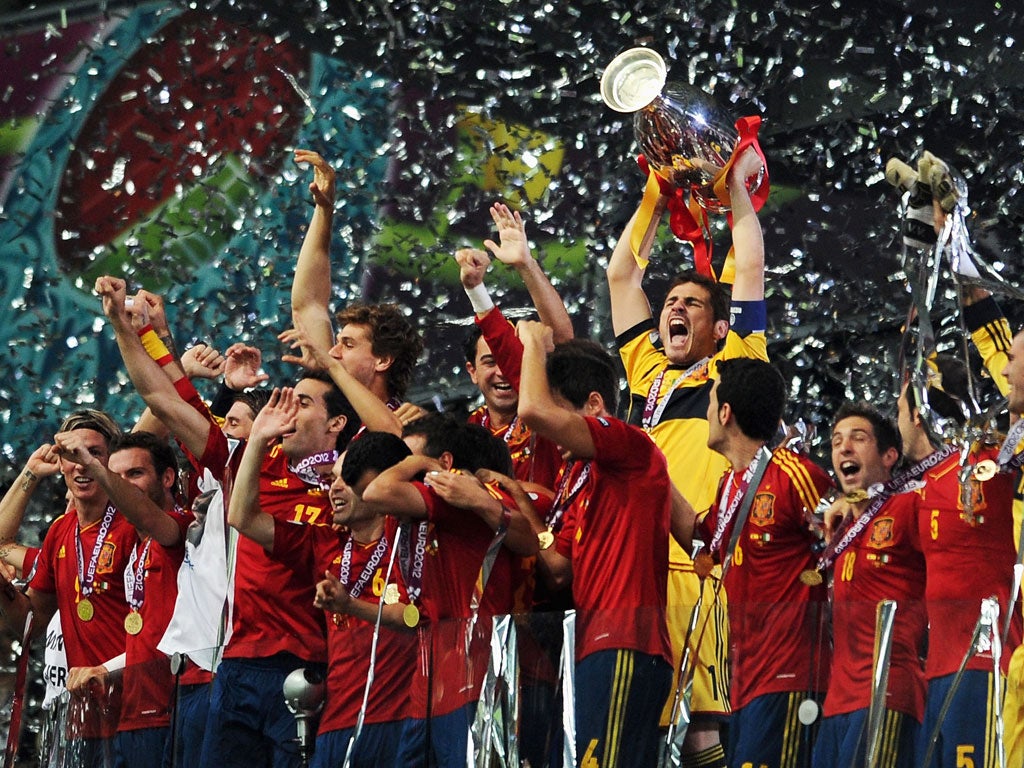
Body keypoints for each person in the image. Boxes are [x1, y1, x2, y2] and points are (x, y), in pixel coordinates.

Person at [95, 274, 358, 768]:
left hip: (307, 667)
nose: (286, 408)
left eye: (302, 403)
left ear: (336, 424)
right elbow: (165, 400)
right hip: (236, 664)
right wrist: (122, 327)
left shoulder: (351, 489)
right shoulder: (248, 464)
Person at [605, 144, 768, 766]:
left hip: (707, 566)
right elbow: (623, 274)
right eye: (670, 301)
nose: (673, 307)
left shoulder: (736, 362)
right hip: (643, 569)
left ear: (720, 327)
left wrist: (733, 191)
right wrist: (653, 189)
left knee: (705, 729)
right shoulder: (647, 371)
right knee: (647, 720)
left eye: (691, 304)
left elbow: (748, 266)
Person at [516, 323, 673, 768]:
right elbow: (558, 566)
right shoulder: (585, 482)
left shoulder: (630, 446)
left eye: (562, 417)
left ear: (596, 407)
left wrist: (531, 343)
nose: (554, 439)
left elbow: (531, 410)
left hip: (625, 641)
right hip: (596, 647)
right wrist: (510, 504)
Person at [229, 410, 417, 767]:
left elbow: (413, 618)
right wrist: (255, 442)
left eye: (348, 478)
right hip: (335, 723)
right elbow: (242, 518)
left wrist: (351, 606)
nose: (334, 488)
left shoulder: (409, 540)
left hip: (402, 718)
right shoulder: (325, 543)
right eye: (332, 478)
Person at [670, 358, 831, 768]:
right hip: (744, 682)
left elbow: (841, 546)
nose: (707, 413)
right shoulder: (728, 485)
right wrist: (652, 471)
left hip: (792, 677)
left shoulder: (794, 474)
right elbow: (700, 535)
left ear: (725, 413)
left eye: (709, 403)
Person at [363, 414, 536, 765]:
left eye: (410, 463)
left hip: (474, 679)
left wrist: (416, 464)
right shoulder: (419, 520)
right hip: (428, 688)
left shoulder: (456, 496)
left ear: (444, 464)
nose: (404, 473)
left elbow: (375, 491)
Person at [896, 356, 1018, 768]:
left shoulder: (996, 463)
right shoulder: (923, 487)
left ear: (917, 415)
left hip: (987, 665)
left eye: (898, 411)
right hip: (939, 674)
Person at [54, 430, 193, 768]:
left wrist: (96, 469)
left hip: (169, 710)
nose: (123, 485)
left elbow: (147, 516)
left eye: (135, 474)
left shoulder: (180, 528)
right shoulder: (137, 546)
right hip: (132, 713)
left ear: (168, 477)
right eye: (115, 477)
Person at [812, 403, 927, 768]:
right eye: (836, 441)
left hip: (887, 694)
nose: (843, 448)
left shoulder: (909, 507)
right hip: (835, 703)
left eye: (858, 439)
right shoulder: (839, 529)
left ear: (890, 455)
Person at [23, 410, 134, 765]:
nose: (81, 465)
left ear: (110, 461)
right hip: (82, 718)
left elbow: (163, 624)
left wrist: (107, 669)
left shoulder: (135, 526)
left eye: (93, 453)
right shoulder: (60, 530)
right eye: (72, 454)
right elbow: (31, 620)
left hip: (138, 711)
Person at [287, 148, 422, 417]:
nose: (333, 352)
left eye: (348, 345)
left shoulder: (404, 428)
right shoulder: (332, 404)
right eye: (339, 342)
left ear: (382, 360)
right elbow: (308, 304)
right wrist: (324, 209)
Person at [457, 202, 572, 489]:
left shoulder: (550, 410)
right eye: (489, 362)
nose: (503, 371)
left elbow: (563, 343)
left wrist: (525, 265)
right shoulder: (465, 432)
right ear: (471, 371)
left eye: (511, 358)